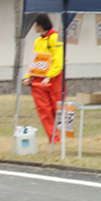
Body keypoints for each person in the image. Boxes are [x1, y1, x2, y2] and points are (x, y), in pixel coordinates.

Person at [24, 14, 65, 143]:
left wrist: (49, 76)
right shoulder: (38, 41)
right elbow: (36, 60)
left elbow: (58, 60)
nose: (34, 27)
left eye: (35, 24)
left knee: (57, 108)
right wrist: (28, 77)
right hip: (38, 79)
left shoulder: (55, 38)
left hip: (54, 78)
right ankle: (54, 138)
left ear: (40, 25)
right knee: (44, 110)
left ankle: (61, 136)